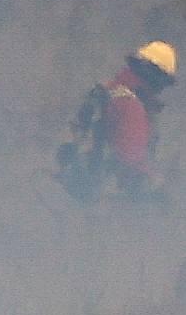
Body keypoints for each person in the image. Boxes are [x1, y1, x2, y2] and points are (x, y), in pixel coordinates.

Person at [57, 41, 177, 202]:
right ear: (156, 79)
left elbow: (71, 137)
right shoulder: (131, 106)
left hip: (72, 186)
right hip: (101, 199)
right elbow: (131, 163)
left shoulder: (105, 91)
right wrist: (159, 189)